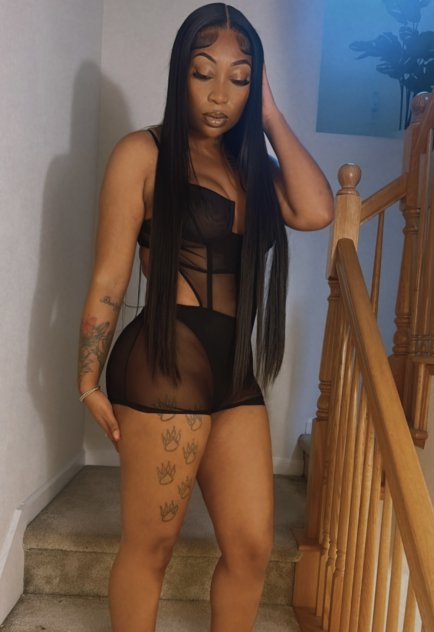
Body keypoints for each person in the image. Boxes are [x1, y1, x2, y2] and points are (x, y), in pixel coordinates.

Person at [77, 3, 334, 631]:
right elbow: (110, 277)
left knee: (250, 548)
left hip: (233, 370)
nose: (221, 94)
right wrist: (86, 378)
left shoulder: (254, 170)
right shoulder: (142, 153)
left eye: (240, 78)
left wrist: (269, 116)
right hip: (167, 358)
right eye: (203, 72)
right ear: (180, 74)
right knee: (152, 547)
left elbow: (317, 210)